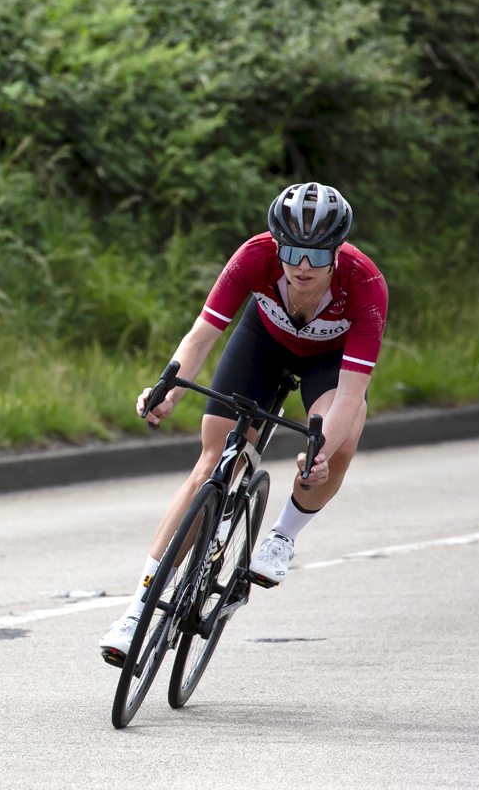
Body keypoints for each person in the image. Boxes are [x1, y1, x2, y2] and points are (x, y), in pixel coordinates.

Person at [99, 182, 388, 663]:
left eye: (318, 256)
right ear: (277, 244)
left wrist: (317, 453)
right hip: (263, 342)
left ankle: (283, 535)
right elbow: (200, 338)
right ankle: (136, 613)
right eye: (293, 251)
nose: (303, 266)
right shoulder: (255, 257)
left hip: (328, 363)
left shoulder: (365, 285)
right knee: (213, 459)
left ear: (337, 252)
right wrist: (167, 390)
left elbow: (352, 394)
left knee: (337, 442)